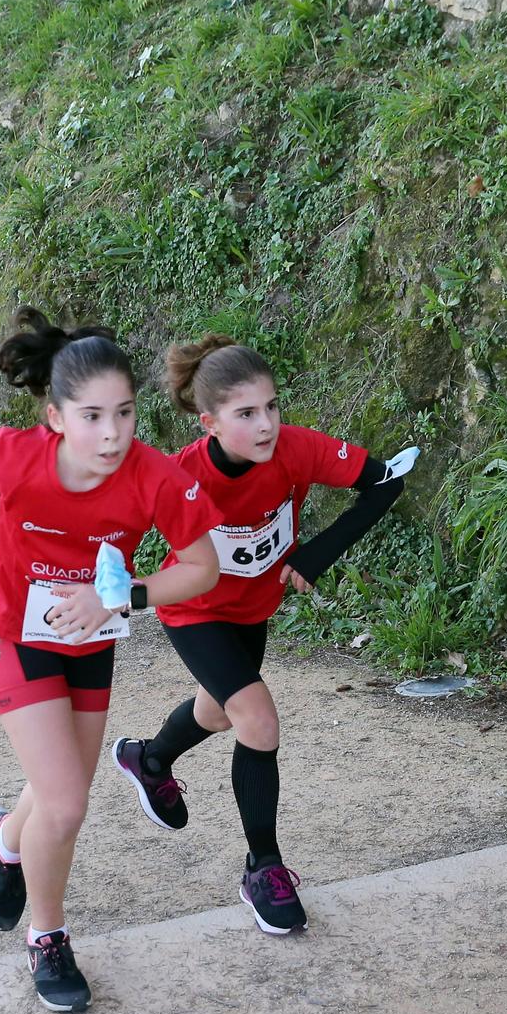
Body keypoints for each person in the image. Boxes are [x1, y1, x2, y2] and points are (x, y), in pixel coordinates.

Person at [0, 308, 224, 1013]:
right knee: (66, 802)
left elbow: (203, 567)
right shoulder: (16, 456)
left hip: (91, 640)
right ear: (56, 417)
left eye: (124, 412)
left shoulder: (154, 476)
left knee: (55, 789)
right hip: (12, 630)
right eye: (92, 416)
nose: (113, 432)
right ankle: (48, 936)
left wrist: (120, 599)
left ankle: (5, 842)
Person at [108, 336, 408, 935]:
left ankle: (150, 758)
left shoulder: (297, 449)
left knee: (220, 713)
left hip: (253, 608)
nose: (267, 424)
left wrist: (318, 553)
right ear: (210, 423)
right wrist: (107, 598)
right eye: (246, 414)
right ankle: (262, 868)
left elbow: (386, 482)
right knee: (258, 719)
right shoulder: (180, 476)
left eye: (272, 406)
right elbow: (113, 555)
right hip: (194, 611)